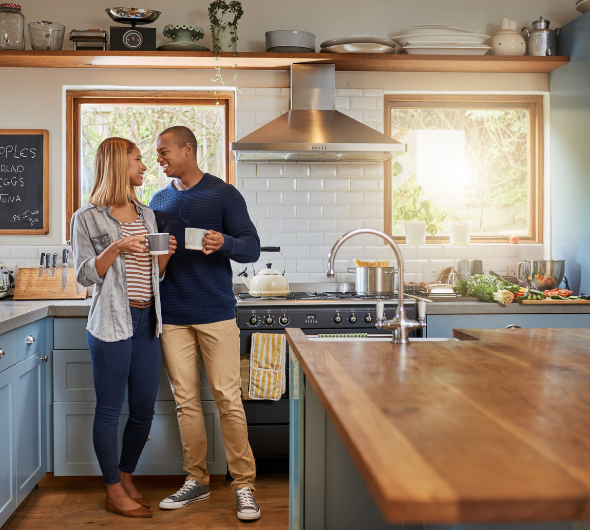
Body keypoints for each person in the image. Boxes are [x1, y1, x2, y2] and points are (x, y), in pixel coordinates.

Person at [149, 126, 261, 521]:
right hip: (174, 315)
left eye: (164, 151)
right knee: (186, 402)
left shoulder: (223, 194)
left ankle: (244, 485)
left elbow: (252, 246)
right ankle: (196, 480)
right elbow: (152, 260)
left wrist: (224, 243)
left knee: (228, 399)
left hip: (215, 311)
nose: (159, 159)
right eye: (157, 153)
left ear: (187, 149)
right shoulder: (158, 200)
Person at [71, 137, 177, 519]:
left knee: (144, 409)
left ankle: (126, 476)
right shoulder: (86, 217)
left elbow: (153, 276)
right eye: (138, 160)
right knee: (109, 410)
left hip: (147, 320)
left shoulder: (147, 215)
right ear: (118, 164)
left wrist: (163, 256)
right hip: (110, 323)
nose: (145, 167)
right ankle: (112, 490)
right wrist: (115, 248)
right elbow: (85, 275)